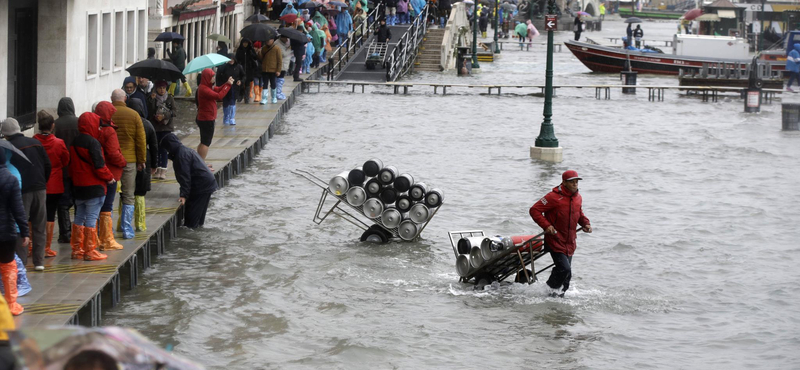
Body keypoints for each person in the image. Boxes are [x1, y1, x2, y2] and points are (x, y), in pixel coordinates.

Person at [529, 170, 592, 297]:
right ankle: (547, 292)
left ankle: (558, 299)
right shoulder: (553, 197)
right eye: (572, 182)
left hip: (570, 242)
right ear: (564, 182)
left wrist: (585, 223)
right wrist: (547, 226)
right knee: (564, 269)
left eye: (576, 182)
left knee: (567, 275)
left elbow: (579, 214)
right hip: (555, 240)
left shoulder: (578, 198)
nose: (575, 185)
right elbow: (534, 210)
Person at [2, 118, 51, 271]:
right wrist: (43, 181)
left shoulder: (8, 147)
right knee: (39, 225)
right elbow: (47, 164)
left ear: (5, 134)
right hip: (40, 188)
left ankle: (21, 262)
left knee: (19, 225)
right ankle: (39, 261)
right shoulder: (36, 142)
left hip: (22, 191)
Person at [69, 112, 116, 262]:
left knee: (79, 217)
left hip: (78, 186)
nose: (100, 128)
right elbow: (99, 165)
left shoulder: (74, 141)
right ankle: (90, 250)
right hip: (94, 186)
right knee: (91, 217)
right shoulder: (93, 143)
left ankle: (77, 249)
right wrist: (110, 178)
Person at [159, 134, 218, 229]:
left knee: (191, 220)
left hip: (201, 186)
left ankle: (192, 233)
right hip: (207, 183)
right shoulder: (185, 150)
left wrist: (183, 195)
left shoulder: (181, 156)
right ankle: (198, 227)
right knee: (199, 217)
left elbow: (185, 178)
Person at [110, 89, 146, 239]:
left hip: (111, 161)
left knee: (109, 196)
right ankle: (127, 230)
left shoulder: (108, 114)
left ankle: (107, 230)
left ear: (111, 99)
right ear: (125, 98)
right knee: (129, 195)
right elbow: (140, 140)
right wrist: (141, 160)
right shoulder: (134, 115)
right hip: (130, 161)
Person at [33, 111, 69, 259]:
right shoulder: (59, 143)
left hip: (38, 181)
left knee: (34, 214)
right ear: (52, 126)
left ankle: (32, 246)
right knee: (50, 215)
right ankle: (46, 247)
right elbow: (66, 160)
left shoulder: (34, 141)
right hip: (55, 182)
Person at [94, 101, 127, 251]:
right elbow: (113, 153)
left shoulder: (94, 129)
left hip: (97, 172)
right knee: (107, 205)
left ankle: (94, 238)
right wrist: (123, 162)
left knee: (95, 206)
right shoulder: (109, 131)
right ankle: (106, 238)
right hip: (111, 172)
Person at [0, 148, 29, 315]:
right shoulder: (10, 179)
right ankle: (11, 304)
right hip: (6, 233)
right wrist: (24, 231)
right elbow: (18, 209)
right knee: (8, 266)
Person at [126, 99, 158, 232]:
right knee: (140, 192)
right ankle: (140, 224)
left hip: (127, 159)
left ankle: (123, 224)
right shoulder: (147, 124)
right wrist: (155, 164)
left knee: (126, 193)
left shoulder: (125, 123)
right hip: (144, 159)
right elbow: (154, 145)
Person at [54, 97, 80, 243]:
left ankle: (65, 233)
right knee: (78, 201)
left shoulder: (56, 124)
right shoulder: (78, 122)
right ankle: (78, 230)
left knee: (63, 202)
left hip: (62, 168)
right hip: (76, 167)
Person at [196, 68, 233, 162]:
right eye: (212, 76)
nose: (214, 78)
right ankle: (201, 164)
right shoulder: (204, 89)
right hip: (206, 119)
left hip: (205, 118)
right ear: (207, 77)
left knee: (203, 141)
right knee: (206, 143)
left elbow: (219, 89)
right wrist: (228, 85)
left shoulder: (207, 86)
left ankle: (199, 161)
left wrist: (226, 83)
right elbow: (219, 96)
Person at [146, 81, 175, 179]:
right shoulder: (152, 98)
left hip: (166, 128)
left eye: (163, 88)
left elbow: (174, 112)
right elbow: (149, 112)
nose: (162, 90)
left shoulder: (170, 98)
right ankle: (157, 169)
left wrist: (164, 116)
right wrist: (151, 100)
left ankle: (163, 170)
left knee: (164, 149)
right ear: (156, 89)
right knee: (156, 148)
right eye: (160, 88)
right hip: (156, 127)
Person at [216, 54, 244, 125]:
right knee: (225, 103)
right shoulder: (223, 67)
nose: (231, 60)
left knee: (232, 102)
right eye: (229, 59)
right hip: (225, 88)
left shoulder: (238, 67)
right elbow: (219, 77)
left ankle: (232, 118)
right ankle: (226, 117)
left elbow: (243, 76)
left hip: (234, 88)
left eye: (232, 59)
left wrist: (240, 81)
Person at [258, 37, 283, 105]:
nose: (267, 41)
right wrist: (259, 52)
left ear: (272, 40)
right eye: (266, 40)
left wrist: (278, 70)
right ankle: (264, 98)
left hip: (273, 70)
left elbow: (279, 60)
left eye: (269, 40)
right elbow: (261, 58)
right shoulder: (264, 48)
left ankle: (274, 97)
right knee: (265, 84)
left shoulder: (277, 48)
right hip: (265, 69)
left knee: (273, 84)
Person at [235, 38, 260, 104]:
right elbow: (236, 59)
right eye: (244, 43)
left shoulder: (250, 50)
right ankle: (240, 95)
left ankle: (247, 97)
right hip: (241, 69)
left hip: (249, 69)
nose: (245, 44)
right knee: (241, 83)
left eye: (246, 43)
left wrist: (252, 54)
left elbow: (255, 58)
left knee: (247, 84)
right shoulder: (239, 50)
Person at [277, 35, 292, 100]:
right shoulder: (278, 44)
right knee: (279, 79)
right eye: (286, 38)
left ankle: (279, 92)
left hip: (284, 64)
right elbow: (283, 54)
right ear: (282, 38)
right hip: (281, 65)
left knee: (280, 79)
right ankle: (277, 93)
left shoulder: (282, 43)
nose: (287, 40)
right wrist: (289, 49)